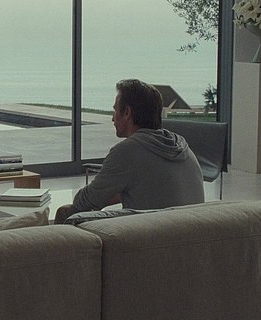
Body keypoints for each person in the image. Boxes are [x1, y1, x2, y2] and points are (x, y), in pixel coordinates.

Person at [54, 79, 204, 224]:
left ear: (127, 112)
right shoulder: (182, 147)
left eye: (114, 110)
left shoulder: (127, 151)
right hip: (192, 230)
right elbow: (156, 190)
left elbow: (84, 201)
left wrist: (100, 196)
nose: (112, 118)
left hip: (151, 232)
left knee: (66, 212)